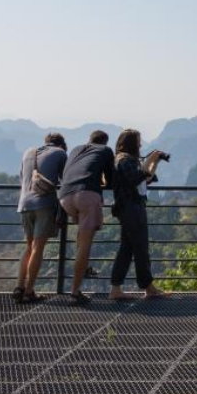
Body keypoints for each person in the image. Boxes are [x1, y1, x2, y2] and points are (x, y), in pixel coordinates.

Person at [58, 130, 115, 304]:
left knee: (81, 239)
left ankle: (84, 267)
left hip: (65, 197)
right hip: (87, 195)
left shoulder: (76, 149)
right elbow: (111, 179)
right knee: (85, 244)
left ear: (89, 140)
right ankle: (75, 293)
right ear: (105, 142)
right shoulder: (105, 150)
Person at [108, 129, 166, 300]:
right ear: (131, 143)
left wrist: (155, 162)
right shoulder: (124, 160)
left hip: (130, 207)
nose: (140, 145)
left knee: (126, 249)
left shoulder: (127, 160)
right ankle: (149, 287)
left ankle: (116, 289)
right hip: (131, 208)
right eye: (138, 142)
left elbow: (146, 179)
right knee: (141, 248)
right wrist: (149, 160)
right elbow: (136, 178)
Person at [14, 133, 67, 303]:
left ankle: (19, 287)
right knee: (38, 248)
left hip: (24, 203)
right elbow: (66, 180)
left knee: (29, 247)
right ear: (62, 144)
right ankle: (29, 291)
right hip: (44, 204)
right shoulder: (60, 153)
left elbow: (22, 178)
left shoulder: (29, 152)